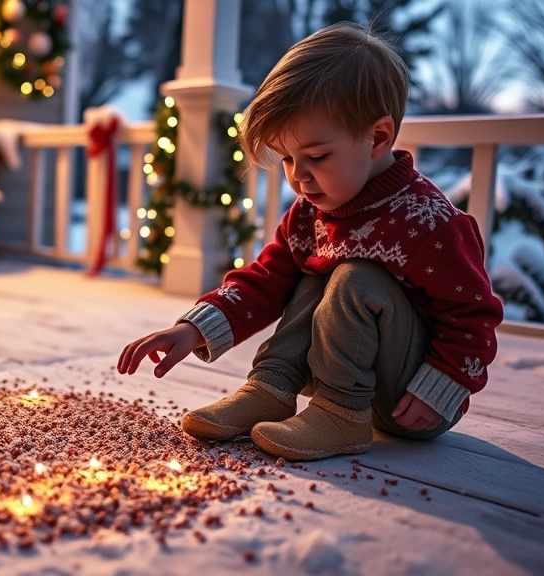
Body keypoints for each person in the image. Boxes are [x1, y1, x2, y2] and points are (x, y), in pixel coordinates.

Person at [116, 22, 503, 461]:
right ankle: (271, 387)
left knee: (355, 277)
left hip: (414, 400)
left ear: (377, 138)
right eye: (287, 158)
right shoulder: (310, 214)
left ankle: (341, 415)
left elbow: (474, 314)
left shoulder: (427, 221)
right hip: (351, 378)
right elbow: (264, 280)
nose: (299, 175)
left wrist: (442, 386)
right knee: (309, 276)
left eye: (317, 157)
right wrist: (193, 328)